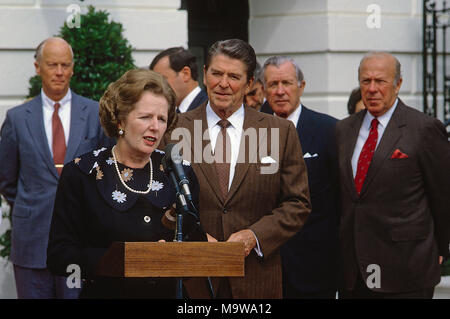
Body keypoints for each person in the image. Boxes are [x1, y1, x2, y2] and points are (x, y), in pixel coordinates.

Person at [163, 39, 311, 299]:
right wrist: (193, 236)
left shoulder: (279, 132)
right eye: (217, 73)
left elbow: (297, 203)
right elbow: (161, 200)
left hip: (256, 279)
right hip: (193, 279)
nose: (223, 83)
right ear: (206, 75)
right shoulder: (175, 129)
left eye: (234, 76)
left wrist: (255, 235)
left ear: (250, 83)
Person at [47, 69, 204, 299]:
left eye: (161, 119)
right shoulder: (82, 172)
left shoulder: (179, 172)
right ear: (120, 119)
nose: (155, 126)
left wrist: (174, 256)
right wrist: (124, 260)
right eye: (145, 117)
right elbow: (59, 256)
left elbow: (197, 243)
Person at [0, 37, 111, 299]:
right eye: (52, 65)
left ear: (73, 68)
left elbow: (106, 171)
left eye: (65, 65)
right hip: (31, 240)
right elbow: (6, 179)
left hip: (82, 239)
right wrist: (33, 202)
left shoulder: (95, 114)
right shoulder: (17, 119)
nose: (59, 72)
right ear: (38, 67)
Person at [336, 52, 450, 299]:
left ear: (398, 84)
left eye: (381, 81)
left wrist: (441, 248)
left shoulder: (424, 129)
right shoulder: (343, 130)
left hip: (406, 270)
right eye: (366, 81)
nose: (372, 89)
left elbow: (442, 196)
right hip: (354, 272)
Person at [261, 56, 340, 299]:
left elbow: (340, 198)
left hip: (314, 267)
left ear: (301, 87)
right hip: (263, 266)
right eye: (273, 84)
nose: (281, 91)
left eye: (287, 83)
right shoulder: (249, 132)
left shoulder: (329, 130)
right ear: (263, 90)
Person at [150, 47, 208, 113]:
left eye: (162, 79)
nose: (157, 87)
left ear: (186, 74)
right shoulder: (174, 112)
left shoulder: (205, 110)